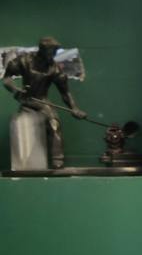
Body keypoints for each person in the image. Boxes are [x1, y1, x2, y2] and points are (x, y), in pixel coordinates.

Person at [4, 36, 84, 171]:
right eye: (51, 52)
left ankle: (57, 162)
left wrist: (74, 108)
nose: (53, 56)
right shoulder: (24, 61)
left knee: (54, 124)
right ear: (42, 50)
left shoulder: (54, 68)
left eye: (54, 53)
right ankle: (26, 165)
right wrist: (15, 90)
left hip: (43, 103)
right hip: (27, 102)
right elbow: (6, 78)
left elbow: (65, 93)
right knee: (25, 129)